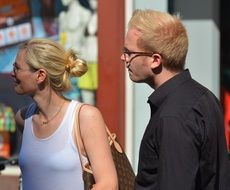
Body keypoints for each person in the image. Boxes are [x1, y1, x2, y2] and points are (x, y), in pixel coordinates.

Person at [121, 9, 230, 190]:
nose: (123, 58)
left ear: (155, 60)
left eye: (129, 52)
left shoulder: (173, 117)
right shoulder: (204, 97)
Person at [11, 38, 118, 190]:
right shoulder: (23, 118)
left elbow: (108, 184)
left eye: (17, 68)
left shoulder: (85, 117)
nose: (12, 73)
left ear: (40, 75)